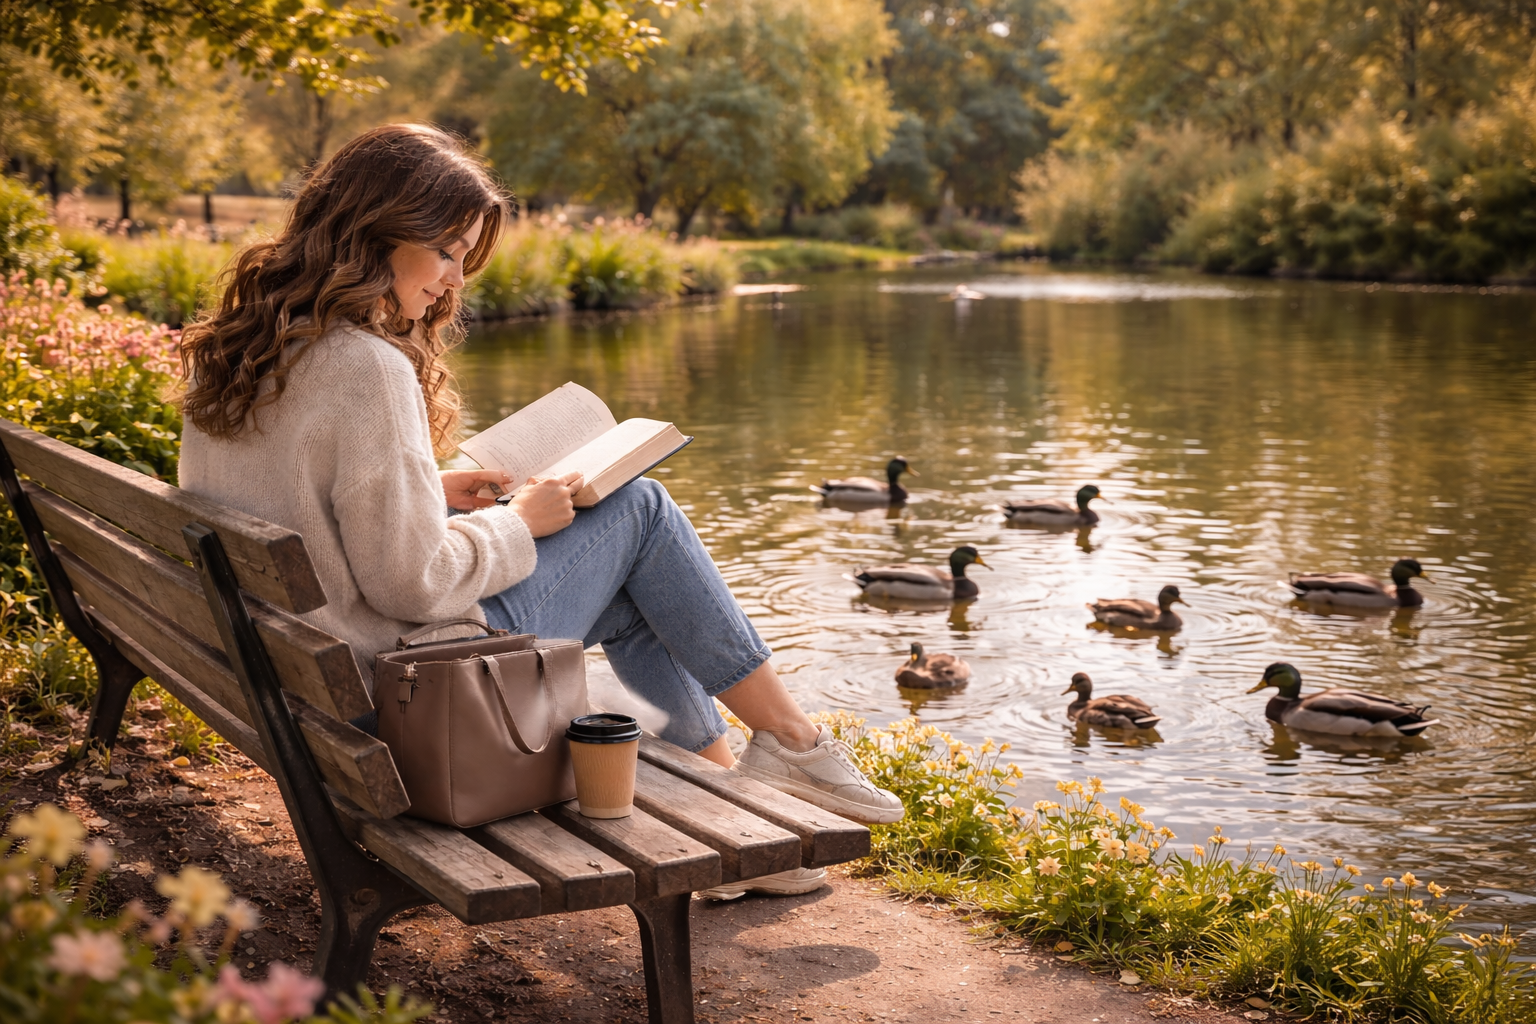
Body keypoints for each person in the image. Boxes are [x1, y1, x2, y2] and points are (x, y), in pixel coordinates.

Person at [176, 123, 902, 900]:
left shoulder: (242, 344)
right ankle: (792, 742)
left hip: (298, 681)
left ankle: (729, 797)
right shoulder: (367, 366)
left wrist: (427, 487)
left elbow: (300, 499)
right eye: (448, 250)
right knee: (642, 511)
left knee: (631, 588)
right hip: (395, 693)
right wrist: (519, 521)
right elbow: (411, 588)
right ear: (377, 231)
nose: (453, 282)